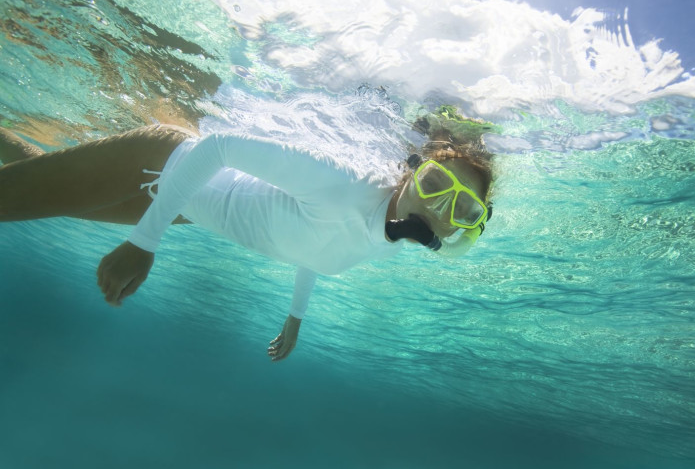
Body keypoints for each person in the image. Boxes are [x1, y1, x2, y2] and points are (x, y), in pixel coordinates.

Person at [0, 109, 495, 361]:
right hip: (158, 164)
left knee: (29, 174)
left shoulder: (385, 239)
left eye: (463, 207)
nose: (438, 206)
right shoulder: (343, 186)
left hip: (178, 206)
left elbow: (319, 249)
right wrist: (143, 242)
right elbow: (217, 146)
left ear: (468, 226)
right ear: (410, 173)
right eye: (434, 184)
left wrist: (295, 318)